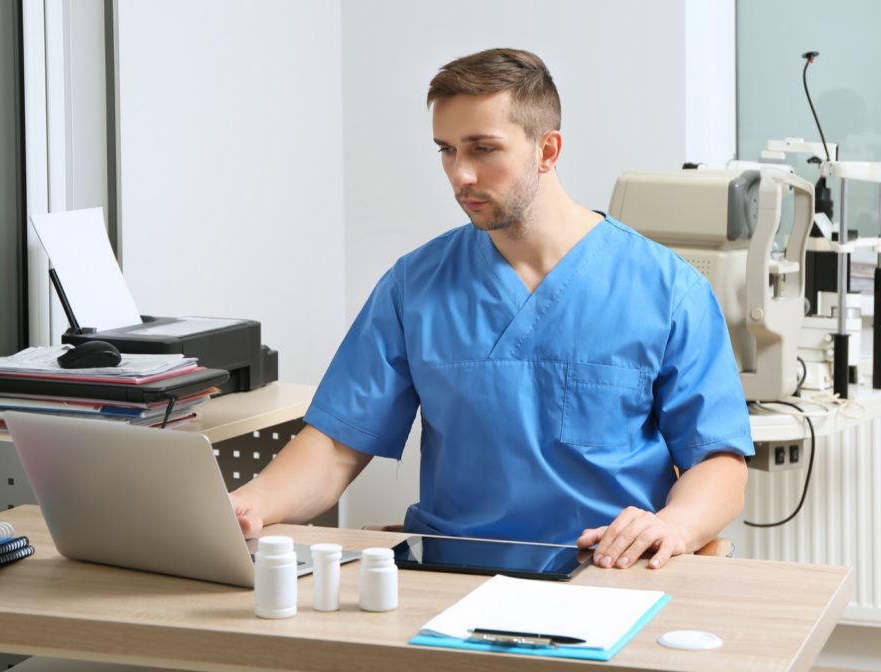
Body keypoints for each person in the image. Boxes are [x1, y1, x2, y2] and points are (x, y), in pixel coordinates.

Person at [231, 48, 752, 570]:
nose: (460, 175)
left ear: (547, 150)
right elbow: (338, 447)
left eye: (483, 149)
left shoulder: (666, 289)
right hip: (449, 576)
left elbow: (716, 460)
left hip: (605, 572)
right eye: (446, 150)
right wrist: (248, 504)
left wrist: (675, 525)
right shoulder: (414, 286)